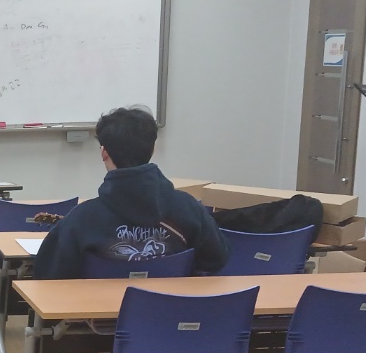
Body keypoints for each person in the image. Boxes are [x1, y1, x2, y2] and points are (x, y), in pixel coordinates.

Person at [34, 106, 228, 279]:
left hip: (98, 308)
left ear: (104, 152)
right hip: (172, 308)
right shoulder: (189, 208)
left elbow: (48, 276)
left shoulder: (81, 219)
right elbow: (217, 260)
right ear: (152, 149)